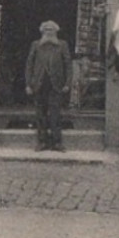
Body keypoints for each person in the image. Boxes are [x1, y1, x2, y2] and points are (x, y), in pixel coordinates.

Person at [25, 20, 72, 151]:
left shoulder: (62, 45)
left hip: (56, 85)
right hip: (39, 85)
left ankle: (57, 143)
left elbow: (68, 65)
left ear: (56, 31)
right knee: (40, 115)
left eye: (51, 30)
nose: (49, 32)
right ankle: (42, 142)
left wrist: (68, 83)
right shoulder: (36, 45)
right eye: (46, 30)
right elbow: (29, 65)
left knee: (55, 114)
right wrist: (28, 84)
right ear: (42, 32)